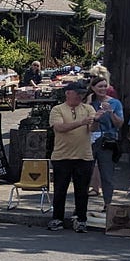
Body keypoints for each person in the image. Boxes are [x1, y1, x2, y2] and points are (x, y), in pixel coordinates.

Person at [47, 82, 98, 233]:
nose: (80, 96)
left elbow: (92, 128)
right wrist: (81, 122)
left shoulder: (88, 108)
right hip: (62, 156)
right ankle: (57, 218)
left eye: (82, 93)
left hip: (84, 156)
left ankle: (81, 219)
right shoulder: (57, 109)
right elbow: (59, 128)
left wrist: (96, 121)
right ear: (68, 93)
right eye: (77, 93)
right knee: (60, 189)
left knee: (82, 191)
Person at [88, 76, 125, 212]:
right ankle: (81, 205)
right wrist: (88, 102)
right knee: (86, 173)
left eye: (105, 86)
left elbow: (119, 124)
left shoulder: (115, 103)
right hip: (90, 140)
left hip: (107, 141)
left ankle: (108, 204)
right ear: (93, 88)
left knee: (107, 174)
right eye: (100, 86)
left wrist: (110, 113)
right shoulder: (89, 102)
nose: (103, 89)